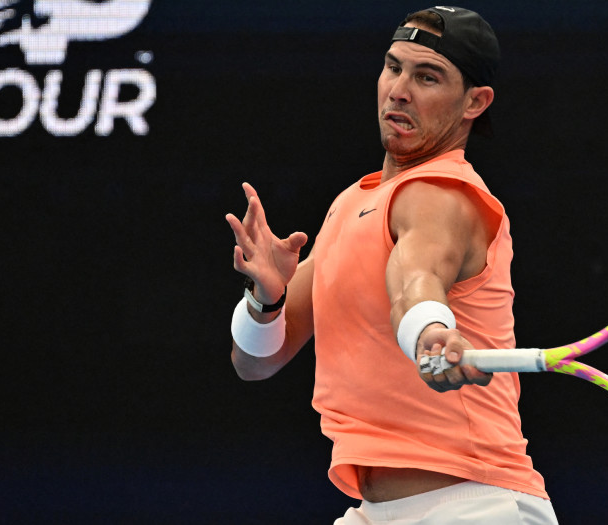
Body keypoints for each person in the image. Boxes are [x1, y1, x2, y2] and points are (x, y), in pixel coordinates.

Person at [225, 7, 558, 524]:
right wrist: (265, 300)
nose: (399, 90)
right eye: (393, 67)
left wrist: (430, 333)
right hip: (375, 513)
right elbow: (255, 363)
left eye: (427, 77)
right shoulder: (351, 204)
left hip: (474, 505)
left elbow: (416, 280)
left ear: (475, 102)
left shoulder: (442, 194)